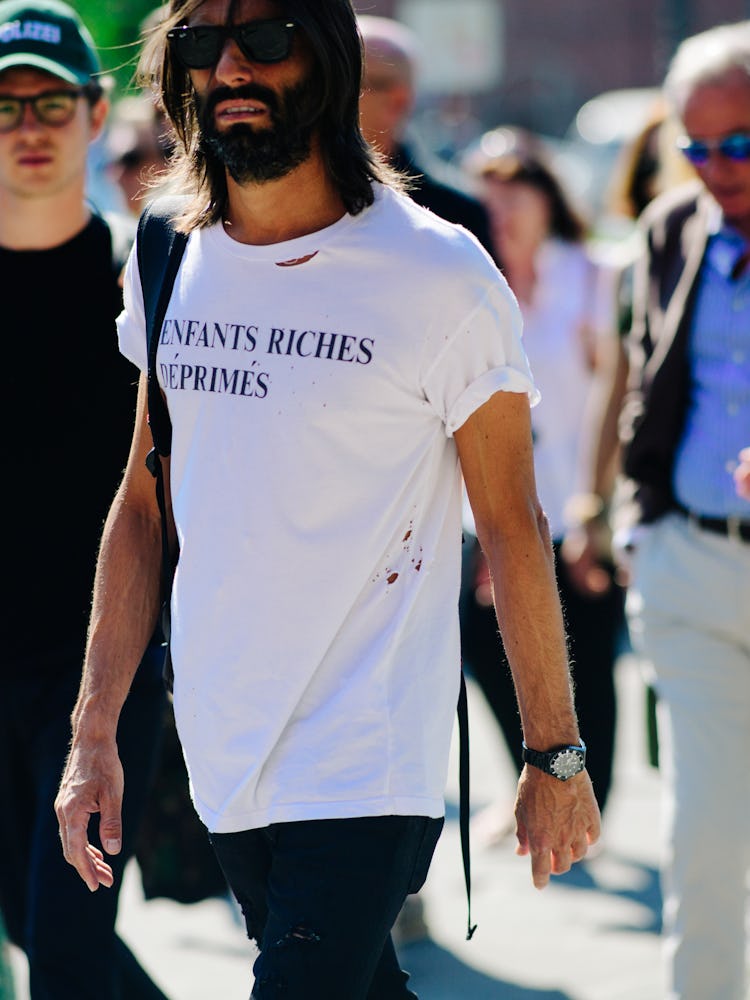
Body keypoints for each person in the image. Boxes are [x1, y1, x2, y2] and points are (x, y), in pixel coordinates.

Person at [54, 2, 600, 998]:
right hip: (224, 740)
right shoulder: (169, 253)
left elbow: (514, 524)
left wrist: (553, 752)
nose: (229, 68)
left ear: (330, 61)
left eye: (264, 38)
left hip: (367, 755)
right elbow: (143, 502)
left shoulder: (436, 272)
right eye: (199, 44)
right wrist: (93, 736)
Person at [0, 2, 169, 998]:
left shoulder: (141, 274)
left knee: (65, 946)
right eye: (6, 103)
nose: (28, 126)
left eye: (50, 102)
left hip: (99, 668)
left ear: (96, 112)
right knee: (35, 926)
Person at [612, 20, 750, 1000]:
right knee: (702, 838)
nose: (714, 167)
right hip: (690, 568)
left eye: (737, 143)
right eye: (695, 146)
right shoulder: (671, 227)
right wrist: (634, 522)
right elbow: (640, 380)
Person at [459, 143, 625, 846]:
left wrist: (602, 507)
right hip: (491, 511)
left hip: (576, 506)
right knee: (485, 649)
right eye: (488, 196)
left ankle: (594, 806)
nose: (502, 210)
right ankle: (529, 780)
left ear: (547, 198)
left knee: (587, 658)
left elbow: (615, 395)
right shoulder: (470, 281)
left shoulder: (590, 278)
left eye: (515, 192)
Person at [357, 13, 494, 258]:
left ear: (396, 101)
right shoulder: (292, 199)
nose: (325, 96)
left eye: (349, 82)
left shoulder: (456, 216)